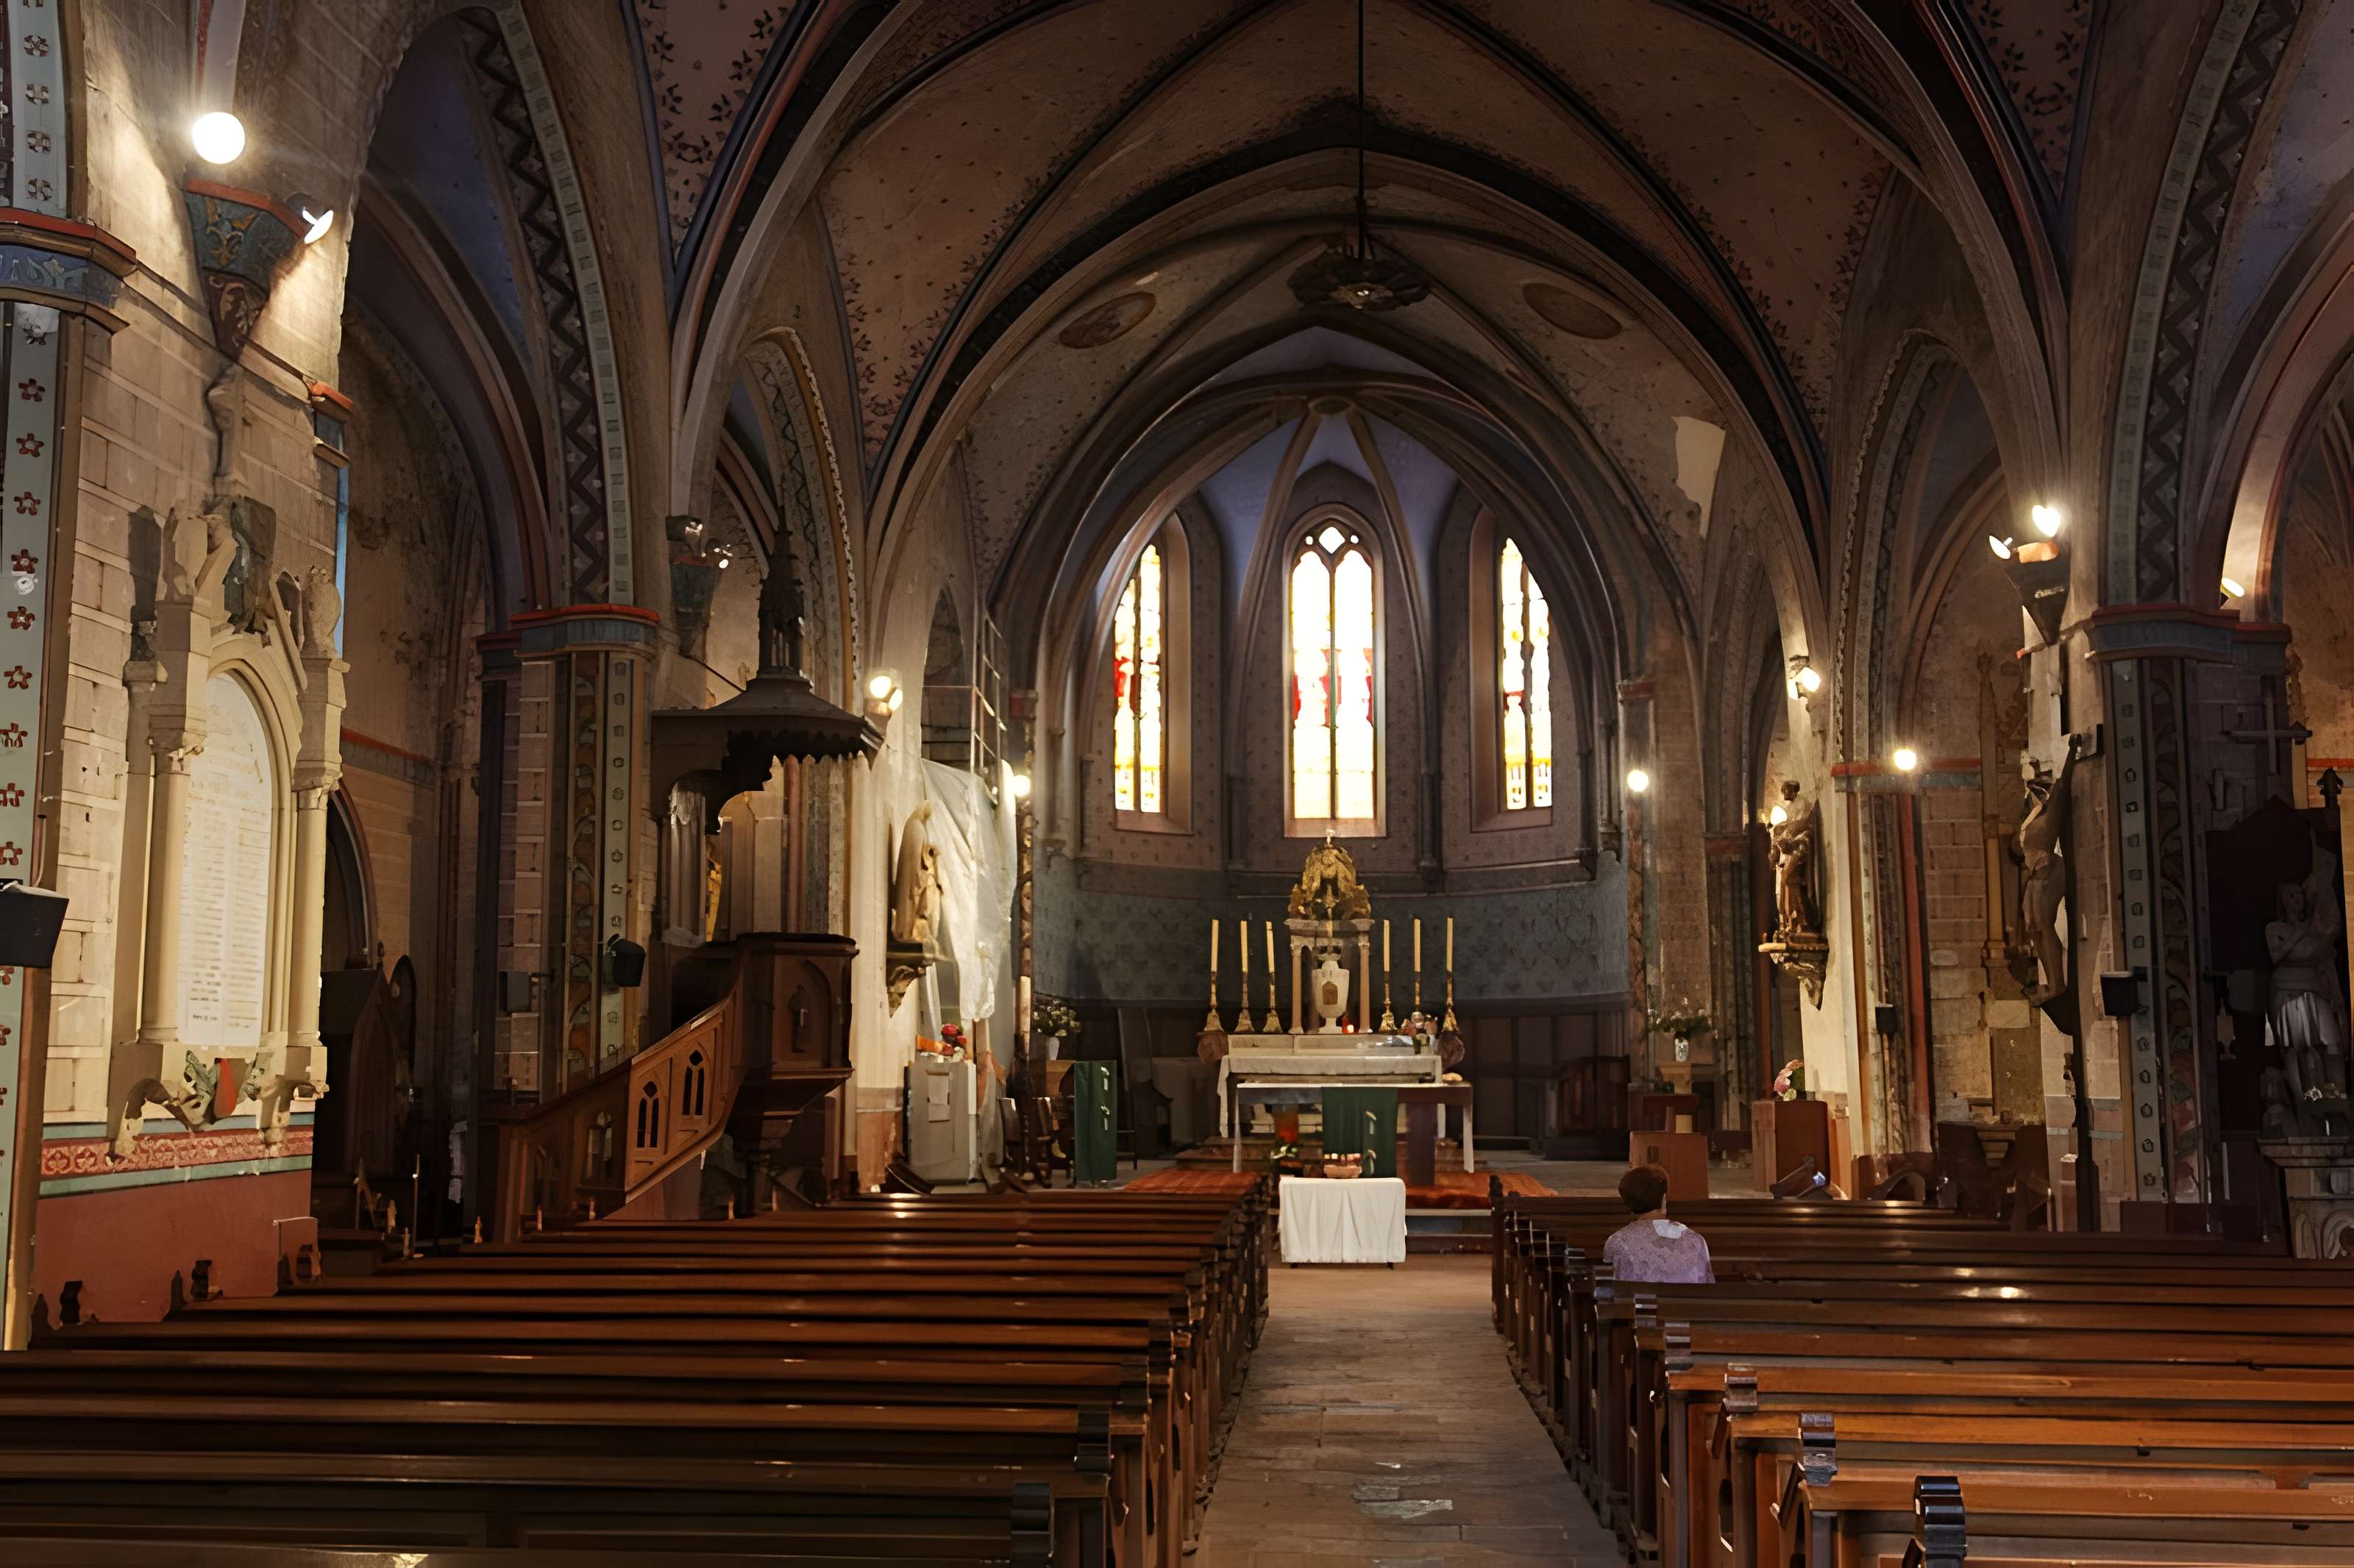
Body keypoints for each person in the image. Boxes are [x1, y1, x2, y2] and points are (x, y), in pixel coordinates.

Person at [1602, 1163, 1714, 1283]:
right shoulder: (1696, 1241)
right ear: (1664, 1199)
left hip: (1637, 1296)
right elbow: (1707, 1284)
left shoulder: (1617, 1241)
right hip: (1686, 1296)